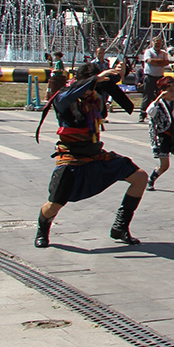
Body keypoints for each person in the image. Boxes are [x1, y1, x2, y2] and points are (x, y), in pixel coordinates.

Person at [34, 63, 149, 248]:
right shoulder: (64, 97)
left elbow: (111, 83)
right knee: (54, 205)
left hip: (95, 155)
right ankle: (43, 229)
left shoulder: (95, 95)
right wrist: (94, 79)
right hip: (71, 158)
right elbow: (72, 93)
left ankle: (120, 227)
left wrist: (120, 71)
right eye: (95, 83)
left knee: (140, 177)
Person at [138, 36, 169, 123]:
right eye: (156, 43)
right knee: (147, 96)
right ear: (152, 43)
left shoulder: (163, 53)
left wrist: (156, 61)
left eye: (159, 43)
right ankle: (142, 114)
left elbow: (166, 62)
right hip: (149, 76)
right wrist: (160, 62)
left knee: (159, 96)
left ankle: (158, 114)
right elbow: (149, 61)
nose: (157, 44)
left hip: (160, 77)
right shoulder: (148, 51)